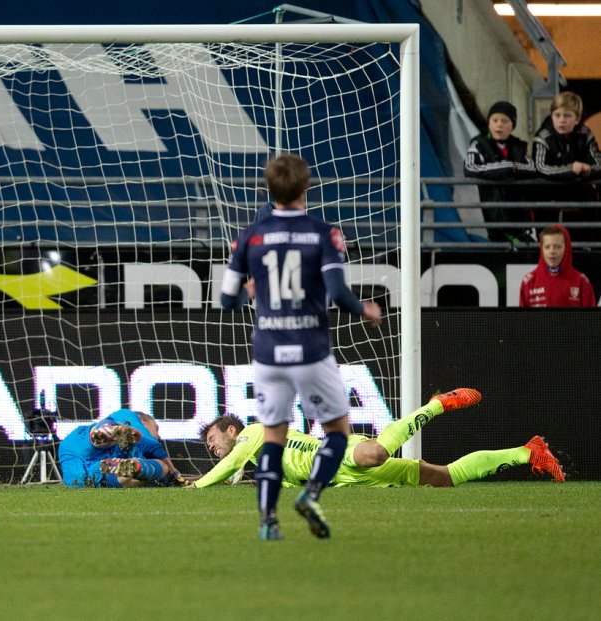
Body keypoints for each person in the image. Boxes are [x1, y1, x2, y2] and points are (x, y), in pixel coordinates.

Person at [219, 153, 382, 541]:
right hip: (310, 350)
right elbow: (340, 294)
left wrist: (250, 290)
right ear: (307, 187)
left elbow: (227, 302)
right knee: (337, 431)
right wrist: (365, 309)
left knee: (273, 436)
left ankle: (267, 522)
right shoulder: (325, 234)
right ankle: (311, 494)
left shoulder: (249, 237)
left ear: (268, 190)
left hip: (269, 352)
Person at [196, 388, 566, 491]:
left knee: (373, 451)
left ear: (231, 430)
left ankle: (436, 405)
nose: (212, 448)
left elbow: (229, 462)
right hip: (344, 480)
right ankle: (527, 452)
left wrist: (197, 485)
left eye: (212, 438)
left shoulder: (253, 432)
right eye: (208, 447)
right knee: (444, 477)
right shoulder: (258, 460)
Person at [463, 100, 537, 244]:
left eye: (505, 121)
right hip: (492, 210)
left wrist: (509, 168)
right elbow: (470, 168)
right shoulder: (478, 145)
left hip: (519, 212)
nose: (499, 124)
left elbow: (532, 168)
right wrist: (506, 168)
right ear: (489, 123)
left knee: (525, 248)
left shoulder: (519, 146)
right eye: (495, 120)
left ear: (512, 125)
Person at [532, 91, 601, 240]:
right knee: (541, 201)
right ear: (552, 116)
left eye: (567, 116)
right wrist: (571, 169)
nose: (561, 120)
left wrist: (588, 170)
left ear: (577, 119)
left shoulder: (585, 134)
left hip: (577, 190)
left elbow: (599, 163)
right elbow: (541, 167)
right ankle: (544, 247)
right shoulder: (542, 136)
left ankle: (586, 245)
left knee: (589, 196)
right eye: (557, 115)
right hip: (549, 192)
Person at [57, 409, 183, 488]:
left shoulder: (138, 451)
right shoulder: (128, 415)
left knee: (135, 480)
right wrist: (175, 473)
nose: (158, 435)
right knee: (163, 466)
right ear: (141, 419)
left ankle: (130, 465)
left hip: (80, 477)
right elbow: (151, 445)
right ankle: (106, 431)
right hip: (83, 446)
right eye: (156, 428)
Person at [518, 224, 596, 307]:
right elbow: (523, 319)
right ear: (541, 249)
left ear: (566, 248)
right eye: (547, 247)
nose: (552, 251)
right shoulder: (529, 282)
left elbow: (591, 319)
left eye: (557, 247)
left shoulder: (581, 282)